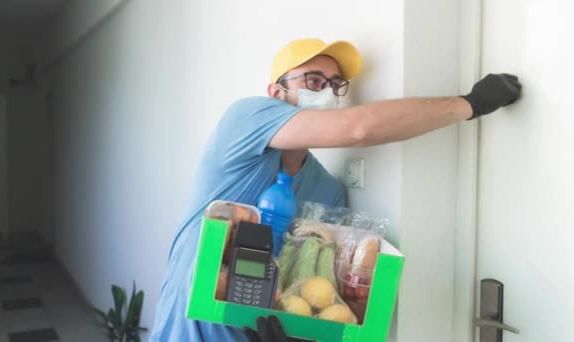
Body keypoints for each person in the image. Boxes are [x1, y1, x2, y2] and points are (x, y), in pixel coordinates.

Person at [149, 38, 522, 341]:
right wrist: (470, 104)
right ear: (276, 93)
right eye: (313, 81)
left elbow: (308, 285)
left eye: (335, 84)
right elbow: (357, 129)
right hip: (187, 329)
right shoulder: (244, 120)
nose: (328, 91)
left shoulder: (325, 194)